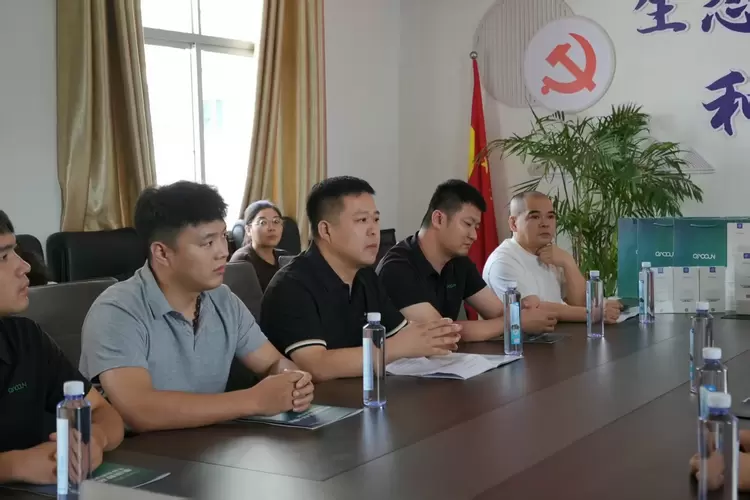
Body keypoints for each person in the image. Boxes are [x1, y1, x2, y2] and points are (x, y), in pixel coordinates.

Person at [79, 182, 314, 434]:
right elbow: (140, 410)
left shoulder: (223, 299)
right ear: (162, 253)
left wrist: (293, 380)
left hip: (208, 443)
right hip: (139, 450)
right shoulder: (117, 310)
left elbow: (272, 363)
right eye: (207, 243)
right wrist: (254, 400)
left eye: (223, 236)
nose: (223, 252)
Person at [260, 176, 462, 382]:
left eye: (376, 219)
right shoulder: (291, 285)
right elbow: (317, 365)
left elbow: (400, 334)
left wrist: (434, 336)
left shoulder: (365, 275)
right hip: (312, 399)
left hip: (363, 393)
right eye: (362, 220)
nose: (374, 231)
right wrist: (397, 347)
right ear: (326, 230)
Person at [0, 210, 124, 485]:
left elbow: (103, 412)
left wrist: (95, 439)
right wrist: (12, 465)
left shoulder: (25, 338)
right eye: (3, 257)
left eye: (15, 251)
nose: (24, 266)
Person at [376, 180, 557, 341]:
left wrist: (522, 309)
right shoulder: (397, 267)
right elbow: (440, 332)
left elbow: (497, 312)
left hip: (447, 362)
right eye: (468, 224)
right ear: (438, 219)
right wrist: (515, 321)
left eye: (476, 227)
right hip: (402, 367)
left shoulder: (458, 261)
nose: (474, 236)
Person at [482, 191, 621, 323]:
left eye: (550, 217)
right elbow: (531, 311)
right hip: (521, 339)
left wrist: (568, 262)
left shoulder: (551, 253)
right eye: (535, 217)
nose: (545, 224)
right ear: (513, 224)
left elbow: (579, 303)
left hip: (557, 333)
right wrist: (593, 313)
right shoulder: (503, 261)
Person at [230, 200, 289, 292]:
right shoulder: (242, 260)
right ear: (248, 230)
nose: (271, 228)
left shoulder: (284, 257)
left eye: (276, 221)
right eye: (263, 223)